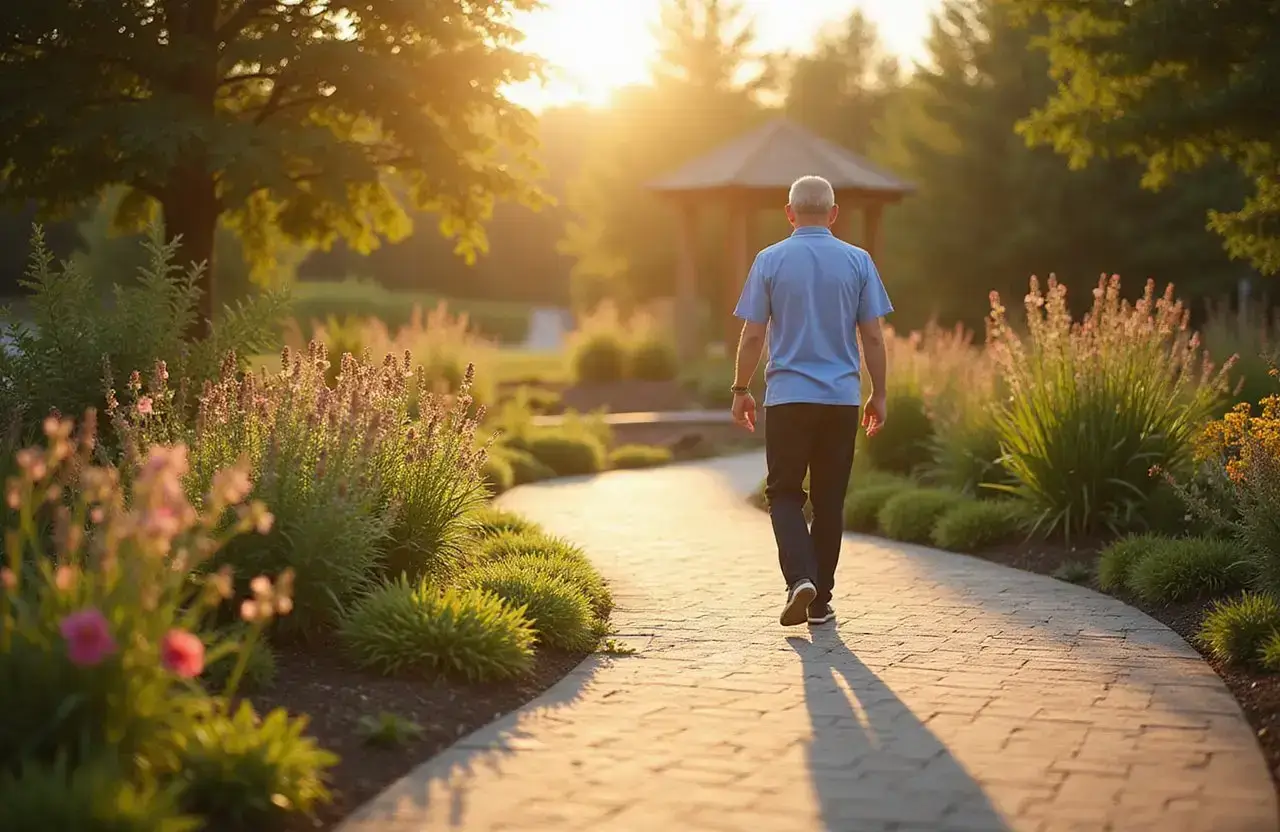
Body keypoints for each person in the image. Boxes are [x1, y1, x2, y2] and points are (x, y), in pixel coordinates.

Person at [729, 175, 892, 627]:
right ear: (834, 213)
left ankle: (799, 577)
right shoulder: (858, 261)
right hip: (840, 399)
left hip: (788, 399)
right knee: (829, 501)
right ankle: (819, 602)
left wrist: (741, 390)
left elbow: (754, 334)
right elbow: (873, 336)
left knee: (783, 493)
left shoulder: (770, 260)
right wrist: (878, 394)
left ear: (789, 213)